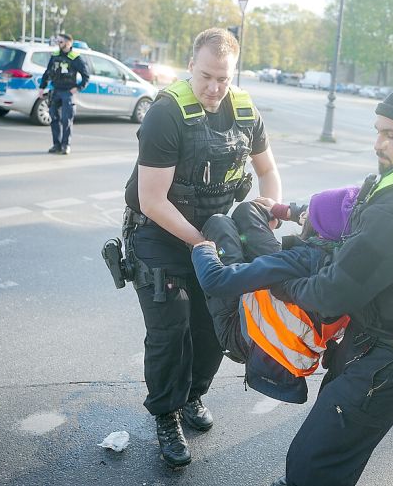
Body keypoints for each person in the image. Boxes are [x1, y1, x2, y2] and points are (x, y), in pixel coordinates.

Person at [268, 84, 393, 486]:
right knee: (331, 455)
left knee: (315, 462)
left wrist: (284, 285)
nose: (378, 143)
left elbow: (333, 292)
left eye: (391, 135)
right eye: (378, 131)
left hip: (392, 356)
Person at [120, 27, 282, 469]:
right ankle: (166, 415)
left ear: (233, 75)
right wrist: (204, 244)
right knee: (171, 330)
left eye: (223, 79)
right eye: (206, 76)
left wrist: (266, 209)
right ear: (191, 66)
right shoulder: (166, 114)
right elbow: (153, 201)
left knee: (214, 326)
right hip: (159, 235)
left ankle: (192, 396)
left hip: (210, 234)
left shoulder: (246, 111)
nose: (214, 88)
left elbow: (268, 172)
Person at [191, 188, 357, 404]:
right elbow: (338, 212)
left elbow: (215, 280)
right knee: (247, 211)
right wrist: (289, 211)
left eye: (310, 216)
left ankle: (232, 253)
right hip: (280, 311)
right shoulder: (351, 256)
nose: (304, 216)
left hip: (247, 335)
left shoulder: (299, 259)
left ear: (318, 231)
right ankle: (247, 264)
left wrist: (203, 249)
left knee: (218, 223)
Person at [37, 33, 89, 155]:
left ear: (69, 43)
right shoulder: (55, 55)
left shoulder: (75, 57)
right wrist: (42, 87)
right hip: (55, 90)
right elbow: (48, 72)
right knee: (54, 118)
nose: (59, 44)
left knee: (67, 120)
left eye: (61, 42)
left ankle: (66, 145)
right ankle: (56, 144)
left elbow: (86, 75)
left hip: (68, 92)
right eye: (58, 42)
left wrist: (78, 87)